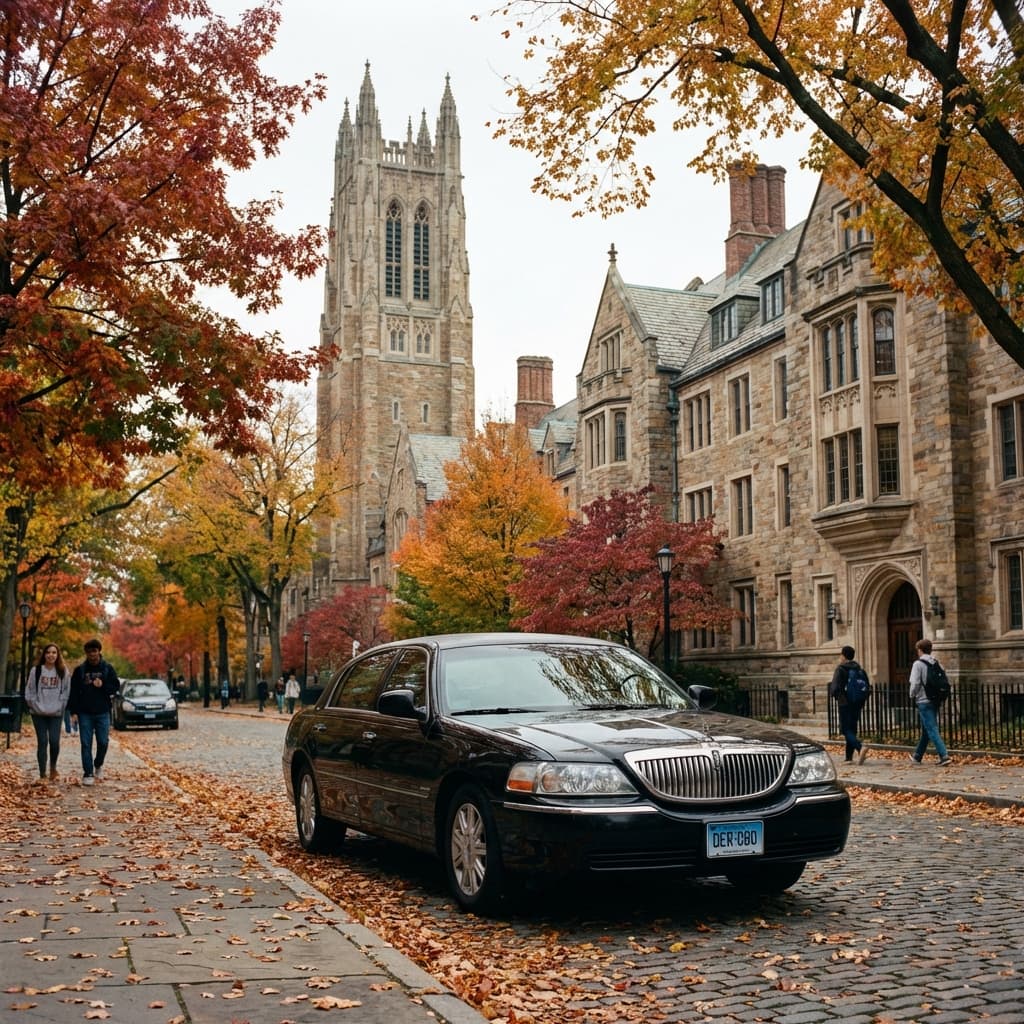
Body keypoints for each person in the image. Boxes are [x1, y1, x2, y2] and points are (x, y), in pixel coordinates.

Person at [67, 639, 120, 786]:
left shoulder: (108, 668)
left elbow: (115, 687)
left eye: (95, 651)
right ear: (86, 653)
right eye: (89, 652)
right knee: (86, 743)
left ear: (99, 651)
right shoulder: (80, 671)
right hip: (85, 713)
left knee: (103, 742)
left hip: (103, 711)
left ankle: (98, 763)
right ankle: (88, 772)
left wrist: (103, 685)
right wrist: (73, 712)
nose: (92, 655)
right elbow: (74, 692)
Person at [25, 643, 72, 785]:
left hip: (56, 713)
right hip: (38, 712)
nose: (51, 655)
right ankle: (42, 774)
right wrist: (33, 704)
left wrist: (60, 707)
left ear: (57, 655)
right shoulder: (36, 670)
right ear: (44, 655)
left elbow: (66, 692)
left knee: (54, 741)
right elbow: (30, 690)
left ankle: (53, 767)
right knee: (42, 742)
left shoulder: (63, 671)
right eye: (48, 652)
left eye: (54, 653)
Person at [909, 638, 951, 766]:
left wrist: (912, 695)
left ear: (920, 650)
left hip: (923, 700)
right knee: (927, 729)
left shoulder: (918, 664)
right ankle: (917, 756)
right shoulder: (936, 663)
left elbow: (915, 683)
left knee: (931, 728)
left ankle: (944, 755)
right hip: (935, 699)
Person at [829, 645, 870, 764]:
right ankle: (848, 757)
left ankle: (859, 747)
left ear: (843, 655)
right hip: (857, 703)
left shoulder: (841, 669)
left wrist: (837, 696)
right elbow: (867, 687)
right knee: (852, 728)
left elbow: (835, 687)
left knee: (846, 729)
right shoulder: (859, 669)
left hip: (845, 703)